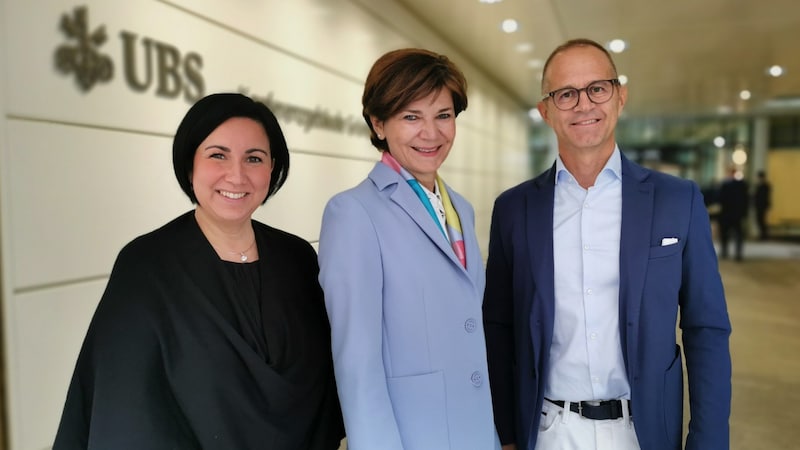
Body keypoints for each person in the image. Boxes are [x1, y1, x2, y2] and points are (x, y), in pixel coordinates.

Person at [53, 93, 344, 449]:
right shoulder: (146, 265)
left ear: (273, 169)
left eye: (254, 158)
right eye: (218, 155)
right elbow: (126, 405)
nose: (236, 175)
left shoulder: (298, 258)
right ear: (190, 165)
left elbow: (326, 384)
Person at [482, 38, 732, 450]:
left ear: (620, 97)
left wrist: (708, 441)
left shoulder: (676, 200)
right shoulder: (514, 209)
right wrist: (507, 434)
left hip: (644, 432)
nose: (583, 105)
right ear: (545, 111)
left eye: (597, 88)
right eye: (565, 94)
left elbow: (705, 328)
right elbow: (499, 327)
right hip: (548, 432)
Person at [318, 48, 501, 450]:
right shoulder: (353, 213)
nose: (431, 133)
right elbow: (356, 364)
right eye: (411, 117)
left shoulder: (461, 210)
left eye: (443, 115)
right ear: (378, 123)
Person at [717, 167, 749, 260]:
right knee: (738, 235)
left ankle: (724, 252)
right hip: (737, 214)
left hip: (726, 213)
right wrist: (744, 213)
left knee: (724, 235)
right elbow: (746, 200)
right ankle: (738, 254)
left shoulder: (725, 185)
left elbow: (720, 199)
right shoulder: (742, 185)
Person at [753, 170, 772, 240]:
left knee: (762, 220)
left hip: (762, 206)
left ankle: (764, 235)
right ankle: (762, 234)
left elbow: (764, 196)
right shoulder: (758, 186)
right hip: (758, 206)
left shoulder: (765, 186)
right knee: (759, 220)